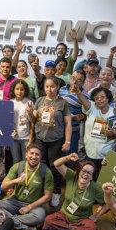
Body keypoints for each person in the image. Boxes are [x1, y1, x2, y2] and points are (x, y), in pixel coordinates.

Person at [42, 153, 109, 230]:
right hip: (64, 215)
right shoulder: (72, 176)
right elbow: (56, 164)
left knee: (92, 228)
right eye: (84, 171)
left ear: (92, 177)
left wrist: (97, 216)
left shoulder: (95, 188)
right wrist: (67, 158)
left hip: (82, 220)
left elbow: (109, 203)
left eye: (89, 173)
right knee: (48, 220)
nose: (85, 174)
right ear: (79, 171)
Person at [27, 76, 72, 207]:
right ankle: (42, 190)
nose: (49, 89)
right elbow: (33, 120)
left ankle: (56, 192)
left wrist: (67, 141)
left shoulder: (63, 103)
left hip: (56, 140)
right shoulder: (40, 101)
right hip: (40, 138)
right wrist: (30, 113)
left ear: (57, 87)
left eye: (52, 86)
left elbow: (68, 123)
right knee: (40, 165)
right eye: (47, 87)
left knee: (55, 167)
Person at [0, 143, 54, 230]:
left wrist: (29, 207)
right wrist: (15, 181)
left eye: (37, 154)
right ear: (26, 154)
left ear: (40, 156)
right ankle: (26, 227)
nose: (34, 157)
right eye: (31, 153)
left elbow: (48, 196)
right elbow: (3, 186)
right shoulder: (18, 166)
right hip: (14, 201)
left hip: (33, 205)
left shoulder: (45, 171)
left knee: (40, 216)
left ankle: (9, 219)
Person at [76, 87, 116, 173]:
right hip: (91, 153)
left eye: (102, 97)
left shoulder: (115, 113)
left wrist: (113, 132)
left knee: (105, 177)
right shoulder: (92, 107)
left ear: (108, 98)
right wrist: (77, 91)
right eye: (96, 98)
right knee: (92, 176)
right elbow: (83, 101)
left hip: (108, 154)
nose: (99, 99)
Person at [59, 69, 89, 165]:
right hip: (58, 130)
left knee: (70, 159)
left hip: (73, 131)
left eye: (79, 80)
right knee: (58, 158)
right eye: (73, 78)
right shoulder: (61, 89)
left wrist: (80, 117)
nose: (74, 82)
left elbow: (86, 115)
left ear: (84, 82)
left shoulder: (85, 96)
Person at [10, 79, 34, 164]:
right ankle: (16, 177)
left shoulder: (29, 103)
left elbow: (32, 123)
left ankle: (25, 177)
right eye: (17, 89)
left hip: (26, 137)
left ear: (25, 90)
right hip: (14, 138)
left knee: (26, 160)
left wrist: (30, 140)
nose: (19, 91)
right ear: (13, 90)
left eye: (22, 89)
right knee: (15, 160)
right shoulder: (10, 103)